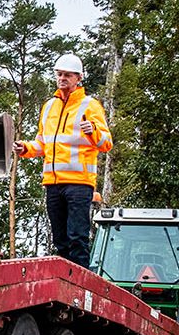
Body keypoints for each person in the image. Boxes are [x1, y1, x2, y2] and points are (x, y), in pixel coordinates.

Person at [13, 52, 113, 267]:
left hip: (79, 183)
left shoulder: (90, 105)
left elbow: (106, 142)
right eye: (59, 74)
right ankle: (64, 287)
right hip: (53, 183)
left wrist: (93, 130)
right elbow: (43, 143)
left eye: (68, 74)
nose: (62, 78)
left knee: (77, 238)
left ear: (79, 78)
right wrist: (26, 148)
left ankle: (81, 287)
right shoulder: (49, 106)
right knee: (60, 240)